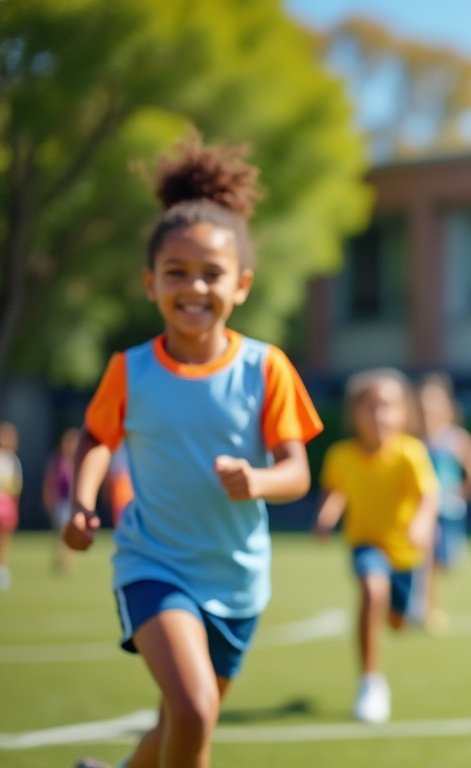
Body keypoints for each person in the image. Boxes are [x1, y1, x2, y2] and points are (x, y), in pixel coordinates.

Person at [61, 131, 323, 768]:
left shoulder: (267, 368)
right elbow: (98, 439)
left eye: (212, 274)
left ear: (241, 285)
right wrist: (82, 502)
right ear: (150, 283)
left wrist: (257, 482)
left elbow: (296, 473)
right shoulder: (130, 370)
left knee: (178, 724)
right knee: (195, 708)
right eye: (176, 273)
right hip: (155, 567)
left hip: (238, 580)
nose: (194, 288)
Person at [313, 367, 439, 724]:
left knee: (398, 621)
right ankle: (371, 683)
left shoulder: (410, 453)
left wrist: (420, 523)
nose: (379, 415)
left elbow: (428, 497)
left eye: (388, 406)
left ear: (403, 412)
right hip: (366, 544)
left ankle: (398, 614)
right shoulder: (341, 456)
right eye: (370, 407)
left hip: (405, 553)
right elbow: (335, 490)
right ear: (354, 413)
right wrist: (326, 515)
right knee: (371, 590)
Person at [415, 373, 471, 631]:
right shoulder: (414, 441)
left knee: (444, 562)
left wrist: (460, 494)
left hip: (446, 512)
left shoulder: (454, 438)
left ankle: (425, 606)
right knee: (425, 558)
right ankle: (424, 609)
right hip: (420, 512)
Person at [44, 427, 80, 575]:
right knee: (61, 533)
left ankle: (67, 561)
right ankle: (61, 560)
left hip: (73, 503)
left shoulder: (77, 462)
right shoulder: (58, 461)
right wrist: (48, 500)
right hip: (62, 503)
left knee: (70, 533)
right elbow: (50, 482)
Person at [0, 421, 21, 590]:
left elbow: (15, 487)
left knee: (5, 538)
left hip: (6, 504)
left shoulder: (13, 460)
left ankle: (3, 567)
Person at [103, 445, 134, 528]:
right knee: (118, 510)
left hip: (126, 482)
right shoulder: (115, 450)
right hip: (118, 482)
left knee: (124, 508)